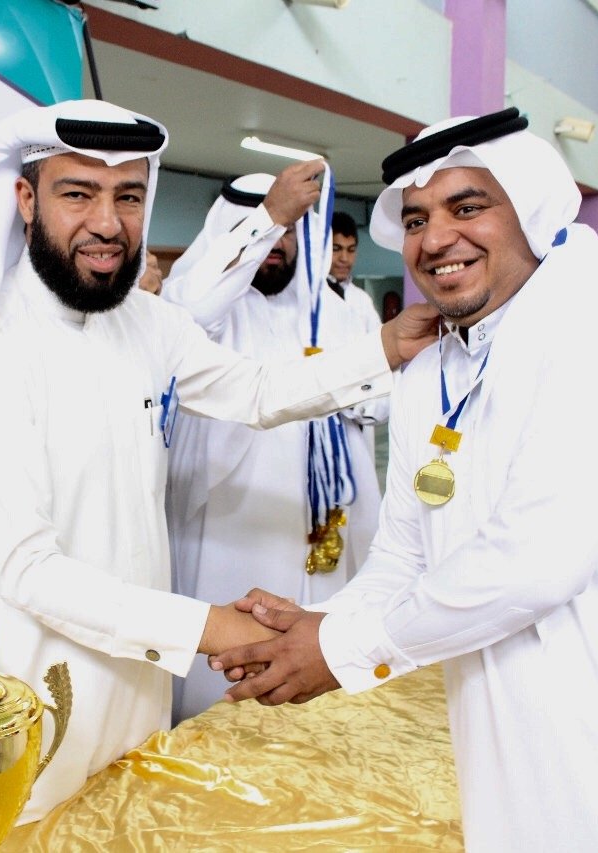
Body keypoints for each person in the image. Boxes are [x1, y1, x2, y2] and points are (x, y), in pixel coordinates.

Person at [213, 108, 598, 852]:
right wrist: (320, 624)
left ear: (532, 209)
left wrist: (341, 648)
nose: (435, 239)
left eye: (467, 207)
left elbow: (535, 562)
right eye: (416, 219)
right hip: (515, 725)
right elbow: (405, 554)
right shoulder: (434, 367)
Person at [0, 100, 440, 823]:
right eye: (78, 193)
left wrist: (388, 346)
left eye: (128, 196)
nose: (108, 223)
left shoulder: (145, 322)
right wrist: (216, 629)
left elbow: (255, 390)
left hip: (139, 701)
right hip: (27, 713)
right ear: (25, 199)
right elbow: (29, 569)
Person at [161, 165, 387, 721]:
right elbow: (189, 307)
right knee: (227, 682)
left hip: (326, 518)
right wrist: (270, 217)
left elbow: (382, 401)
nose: (277, 244)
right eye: (266, 229)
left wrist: (349, 399)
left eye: (289, 232)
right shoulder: (211, 312)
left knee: (321, 672)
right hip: (233, 521)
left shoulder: (336, 311)